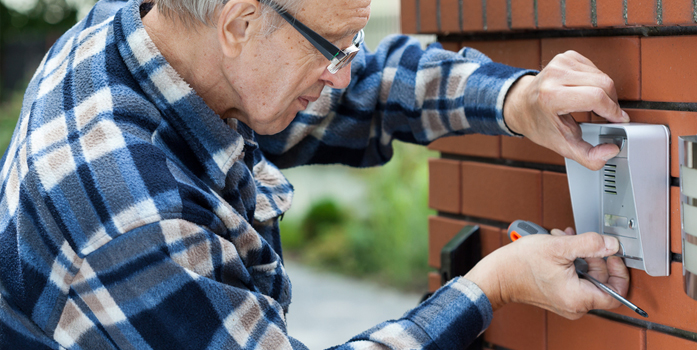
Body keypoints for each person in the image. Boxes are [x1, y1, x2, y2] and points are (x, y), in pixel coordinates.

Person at [0, 0, 631, 348]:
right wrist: (488, 288)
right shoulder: (127, 205)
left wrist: (515, 100)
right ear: (240, 23)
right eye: (334, 48)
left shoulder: (159, 37)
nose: (344, 72)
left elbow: (368, 90)